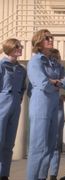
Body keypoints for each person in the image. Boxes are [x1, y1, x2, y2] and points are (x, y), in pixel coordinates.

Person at [26, 29, 62, 180]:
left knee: (49, 146)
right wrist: (54, 83)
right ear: (39, 42)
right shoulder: (35, 61)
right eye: (46, 38)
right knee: (38, 147)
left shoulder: (53, 62)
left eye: (51, 37)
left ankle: (42, 177)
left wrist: (54, 82)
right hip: (41, 105)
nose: (50, 39)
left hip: (53, 105)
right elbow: (41, 83)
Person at [0, 39, 26, 180]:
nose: (20, 48)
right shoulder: (1, 65)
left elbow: (23, 87)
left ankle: (4, 175)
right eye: (17, 46)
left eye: (20, 46)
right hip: (2, 104)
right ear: (9, 48)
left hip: (15, 105)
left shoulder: (21, 69)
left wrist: (20, 97)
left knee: (9, 143)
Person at [46, 48, 65, 180]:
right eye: (52, 56)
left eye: (57, 56)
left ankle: (53, 175)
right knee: (44, 143)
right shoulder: (43, 66)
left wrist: (57, 83)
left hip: (58, 108)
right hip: (45, 106)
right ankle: (41, 174)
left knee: (56, 144)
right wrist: (55, 84)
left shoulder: (61, 68)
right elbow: (43, 82)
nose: (55, 58)